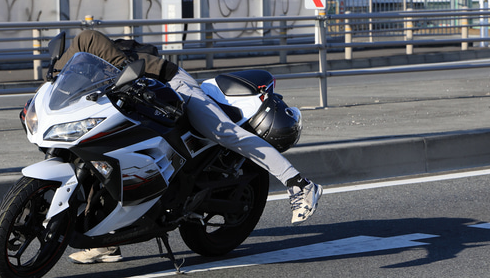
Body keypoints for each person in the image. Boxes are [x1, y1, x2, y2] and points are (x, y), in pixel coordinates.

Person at [56, 29, 323, 264]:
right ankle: (106, 239)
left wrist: (56, 73)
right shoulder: (81, 67)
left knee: (224, 132)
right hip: (134, 96)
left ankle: (300, 184)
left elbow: (89, 39)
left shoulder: (91, 43)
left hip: (172, 84)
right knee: (100, 156)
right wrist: (54, 83)